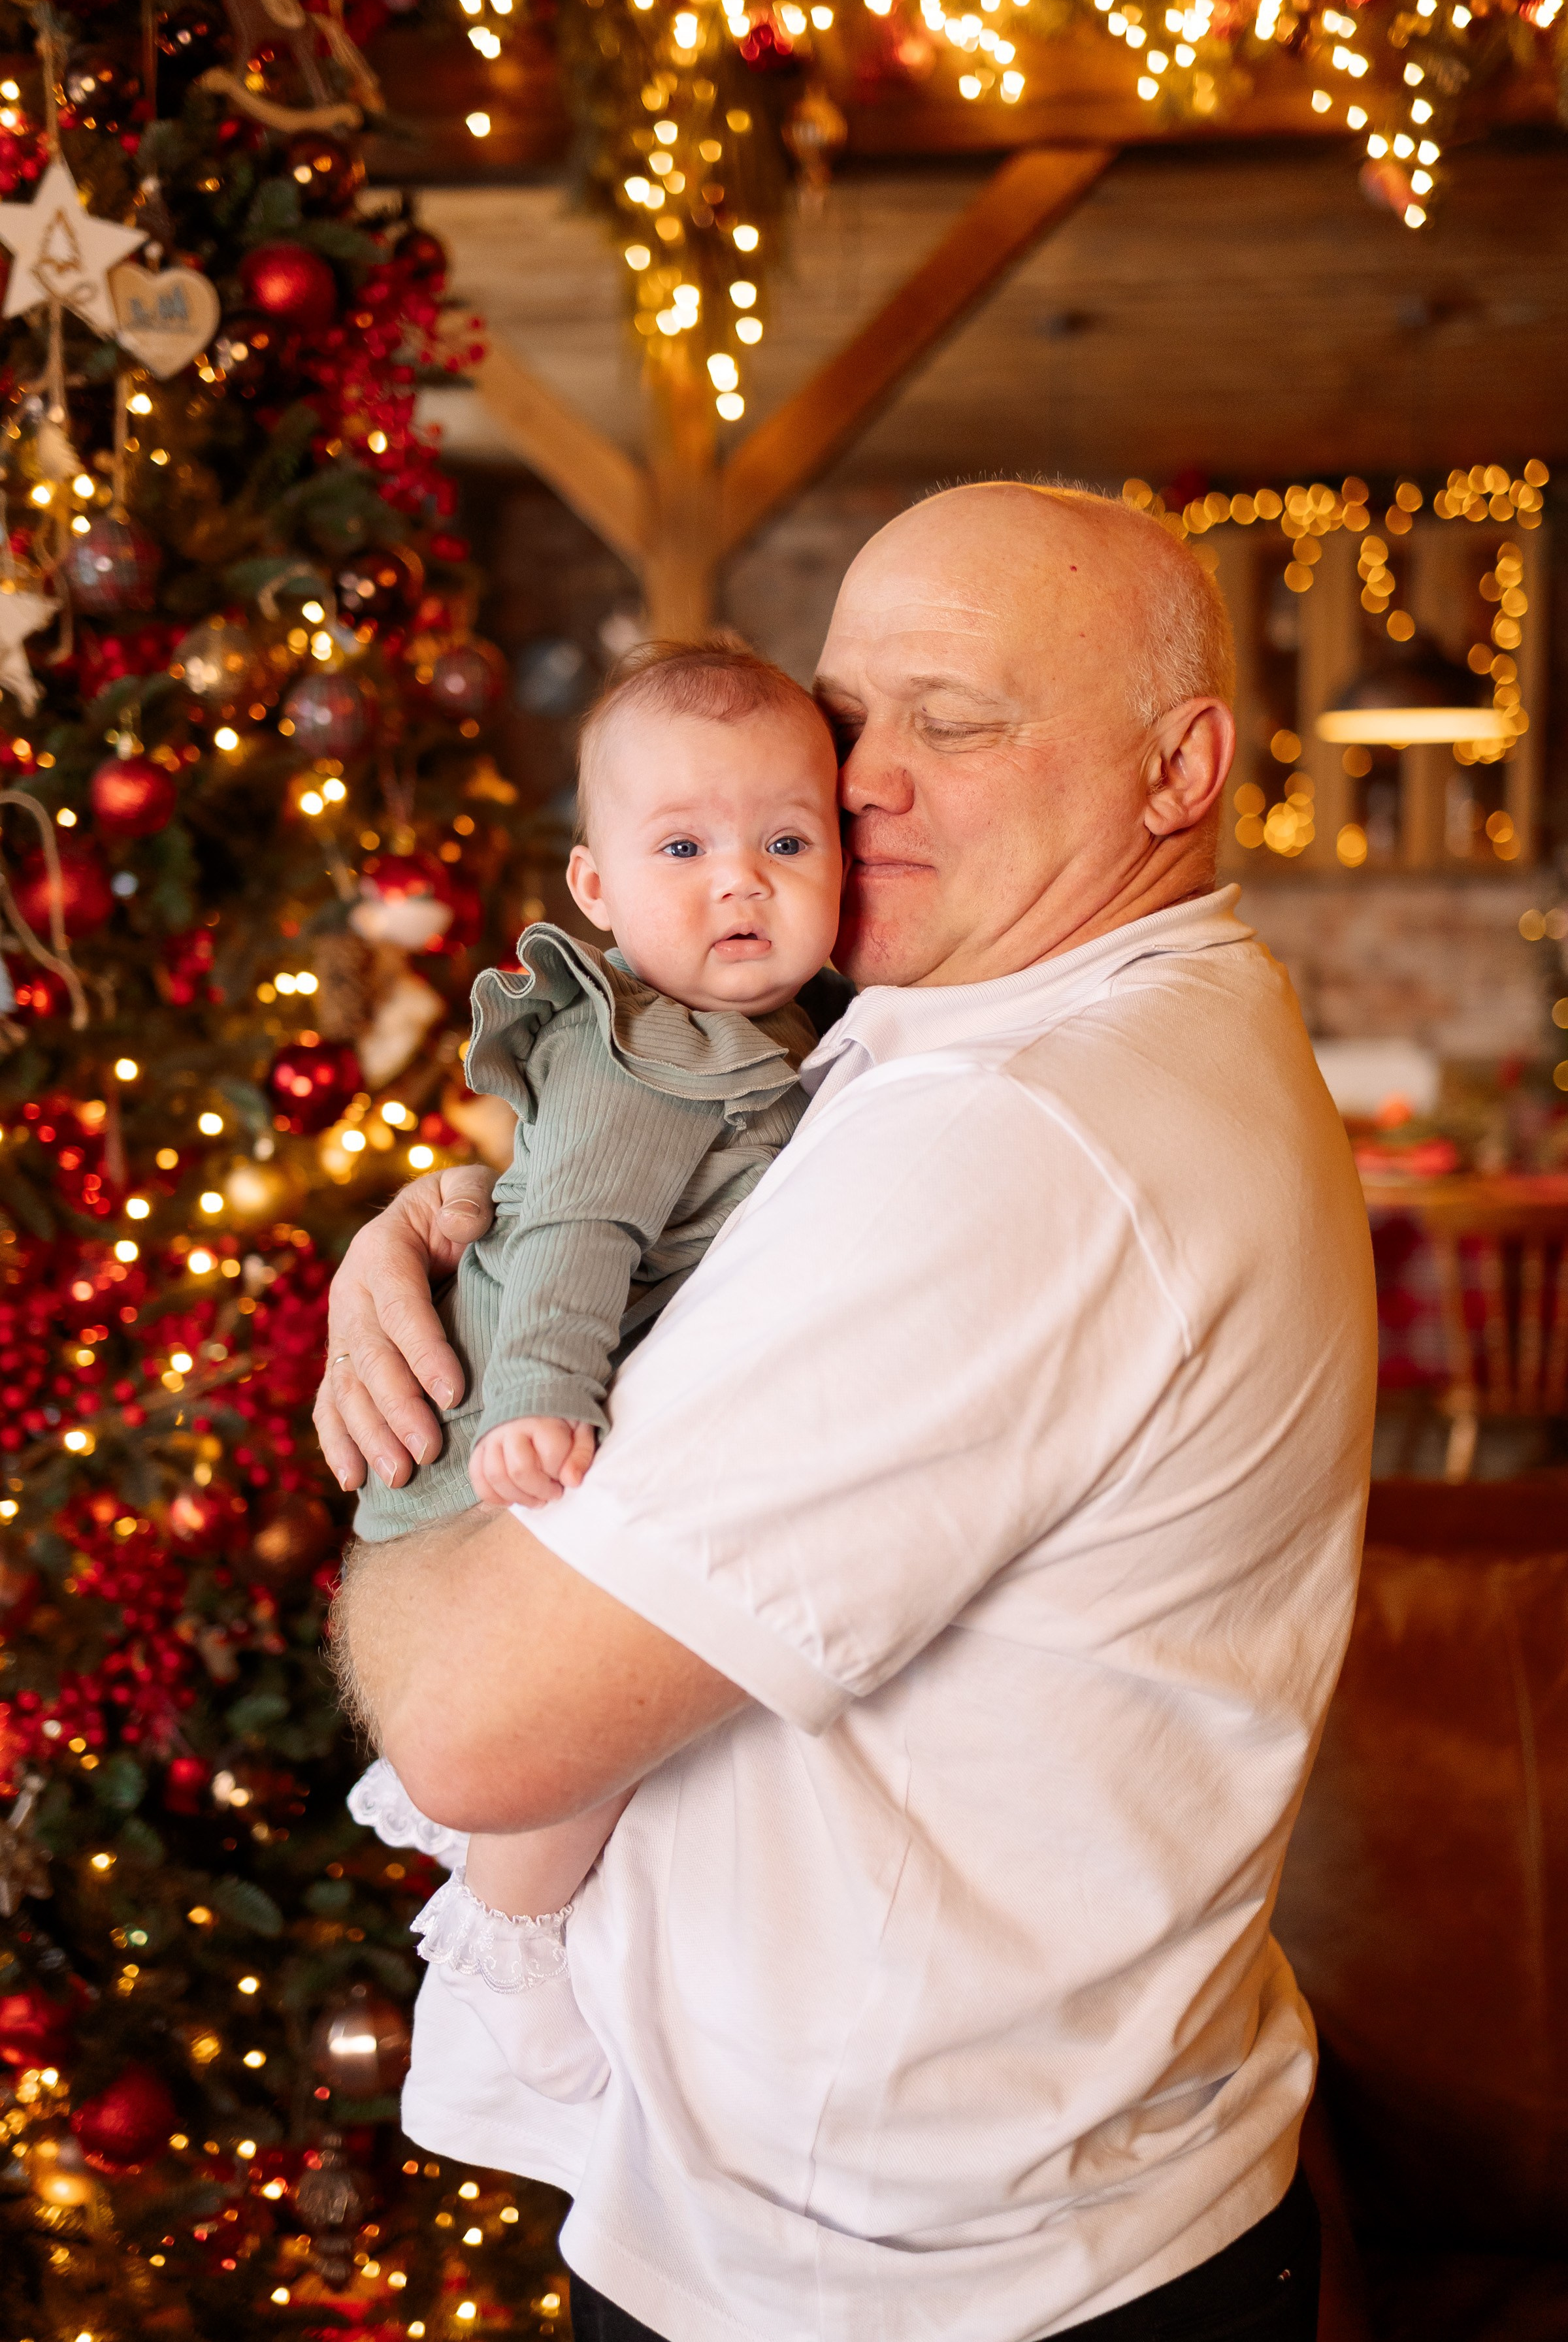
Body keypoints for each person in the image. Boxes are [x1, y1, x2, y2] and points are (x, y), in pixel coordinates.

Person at [321, 481, 1377, 2342]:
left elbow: (480, 1732)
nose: (864, 778)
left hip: (919, 2291)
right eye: (851, 712)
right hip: (1039, 2205)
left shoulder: (1022, 1127)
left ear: (1179, 766)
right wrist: (452, 1237)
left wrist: (429, 1430)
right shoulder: (1009, 1023)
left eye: (955, 719)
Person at [349, 636, 843, 2097]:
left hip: (566, 1411)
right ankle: (507, 1961)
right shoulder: (644, 1055)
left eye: (787, 840)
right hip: (509, 1424)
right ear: (598, 891)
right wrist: (538, 1406)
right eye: (683, 845)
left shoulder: (760, 1025)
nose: (739, 879)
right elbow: (570, 1237)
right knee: (563, 1744)